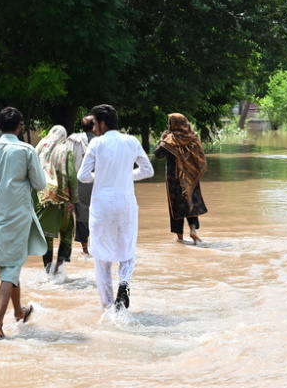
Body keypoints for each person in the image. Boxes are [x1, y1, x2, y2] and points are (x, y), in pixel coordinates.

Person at [0, 107, 47, 340]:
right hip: (18, 215)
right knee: (10, 267)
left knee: (9, 264)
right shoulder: (26, 149)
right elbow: (39, 184)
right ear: (20, 127)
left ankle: (19, 312)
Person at [78, 104, 154, 311]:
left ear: (102, 123)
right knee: (127, 249)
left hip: (102, 206)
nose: (92, 128)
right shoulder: (131, 141)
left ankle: (108, 307)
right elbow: (147, 171)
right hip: (126, 205)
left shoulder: (97, 144)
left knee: (102, 257)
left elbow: (82, 176)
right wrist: (126, 175)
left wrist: (102, 176)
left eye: (94, 123)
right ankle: (124, 284)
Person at [154, 113, 208, 245]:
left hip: (175, 178)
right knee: (190, 202)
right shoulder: (193, 137)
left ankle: (180, 238)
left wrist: (162, 139)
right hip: (191, 176)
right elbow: (200, 158)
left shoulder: (170, 138)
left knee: (176, 206)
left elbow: (158, 154)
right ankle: (193, 230)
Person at [35, 125, 79, 275]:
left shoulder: (38, 149)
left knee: (46, 235)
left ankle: (48, 269)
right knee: (67, 232)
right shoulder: (65, 150)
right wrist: (74, 199)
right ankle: (59, 269)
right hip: (63, 200)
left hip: (42, 199)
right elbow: (72, 177)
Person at [66, 116, 95, 255]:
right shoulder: (103, 141)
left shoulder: (73, 140)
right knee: (100, 214)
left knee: (82, 214)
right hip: (101, 183)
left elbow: (67, 161)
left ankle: (85, 249)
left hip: (80, 183)